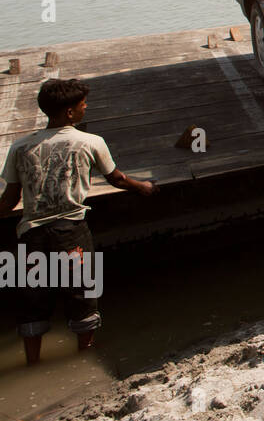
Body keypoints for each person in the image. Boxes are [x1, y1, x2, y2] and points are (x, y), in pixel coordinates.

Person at [0, 78, 156, 365]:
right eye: (83, 106)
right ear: (69, 113)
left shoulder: (19, 148)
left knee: (32, 302)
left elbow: (9, 200)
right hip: (71, 233)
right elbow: (117, 179)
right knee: (82, 296)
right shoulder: (90, 141)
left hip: (31, 235)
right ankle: (85, 360)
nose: (86, 109)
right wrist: (142, 186)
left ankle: (32, 364)